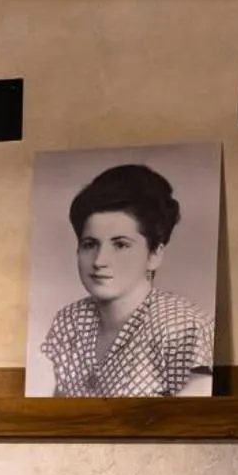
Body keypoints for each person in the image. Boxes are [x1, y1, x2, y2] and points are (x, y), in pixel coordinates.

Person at [37, 163, 215, 397]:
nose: (100, 260)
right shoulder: (70, 322)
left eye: (120, 245)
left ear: (155, 254)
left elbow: (193, 425)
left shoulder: (183, 327)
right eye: (89, 244)